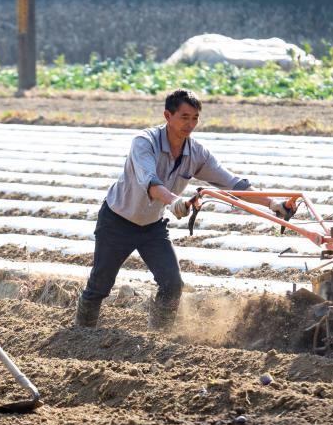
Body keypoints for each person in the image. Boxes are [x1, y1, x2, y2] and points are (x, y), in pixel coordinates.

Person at [75, 88, 292, 330]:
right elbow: (150, 182)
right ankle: (82, 335)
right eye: (184, 117)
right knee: (99, 286)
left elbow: (232, 183)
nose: (190, 124)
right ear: (168, 116)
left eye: (195, 118)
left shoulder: (196, 153)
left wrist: (273, 203)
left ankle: (159, 334)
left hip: (152, 228)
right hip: (117, 221)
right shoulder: (144, 143)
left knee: (172, 284)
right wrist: (174, 201)